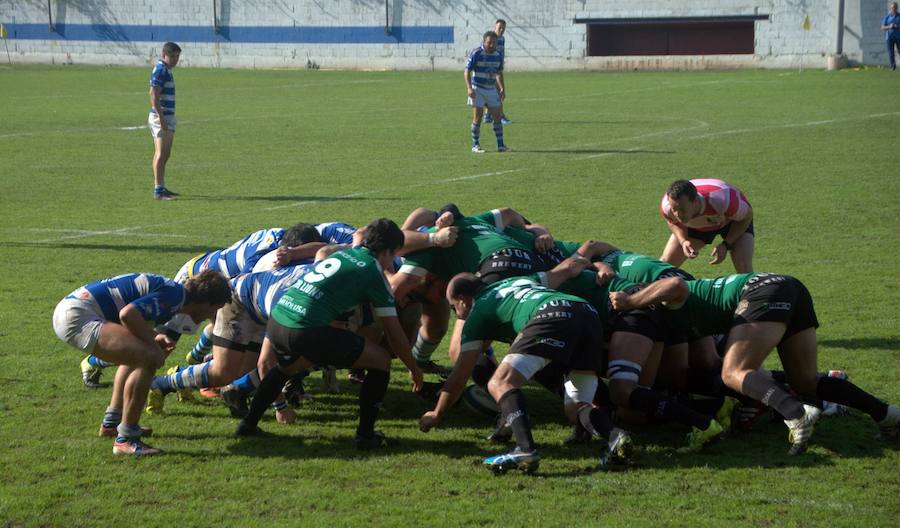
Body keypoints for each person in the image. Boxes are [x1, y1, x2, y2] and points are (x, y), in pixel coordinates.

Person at [609, 273, 900, 454]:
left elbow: (673, 284)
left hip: (762, 292)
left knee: (734, 372)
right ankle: (889, 416)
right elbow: (686, 369)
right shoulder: (684, 322)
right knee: (805, 381)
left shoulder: (669, 300)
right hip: (789, 287)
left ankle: (795, 413)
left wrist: (630, 302)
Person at [420, 258, 633, 473]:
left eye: (452, 307)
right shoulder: (520, 280)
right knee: (576, 407)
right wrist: (592, 262)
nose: (456, 313)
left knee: (501, 382)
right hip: (586, 312)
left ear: (462, 300)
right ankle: (616, 436)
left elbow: (459, 376)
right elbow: (564, 270)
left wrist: (437, 413)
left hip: (550, 315)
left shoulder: (477, 312)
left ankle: (525, 450)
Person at [235, 219, 424, 449]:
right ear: (388, 252)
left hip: (279, 318)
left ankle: (248, 424)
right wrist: (414, 369)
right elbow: (394, 335)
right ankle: (365, 436)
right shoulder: (373, 272)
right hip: (304, 328)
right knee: (381, 360)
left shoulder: (341, 254)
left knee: (287, 367)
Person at [52, 270, 230, 456]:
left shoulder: (175, 294)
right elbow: (128, 315)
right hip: (79, 315)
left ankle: (112, 423)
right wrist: (152, 343)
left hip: (74, 311)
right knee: (149, 358)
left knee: (138, 356)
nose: (213, 315)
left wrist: (153, 338)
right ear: (206, 302)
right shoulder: (175, 297)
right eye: (216, 308)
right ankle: (126, 438)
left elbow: (130, 316)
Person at [659, 178, 754, 273]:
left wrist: (726, 244)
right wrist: (683, 241)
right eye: (674, 209)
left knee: (743, 265)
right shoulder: (667, 207)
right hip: (695, 226)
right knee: (665, 265)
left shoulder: (723, 199)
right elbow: (673, 222)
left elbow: (746, 217)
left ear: (695, 201)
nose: (677, 214)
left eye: (682, 209)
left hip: (732, 222)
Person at [149, 42, 181, 200]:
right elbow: (153, 94)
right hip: (161, 116)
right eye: (172, 56)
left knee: (165, 154)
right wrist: (160, 117)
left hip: (167, 116)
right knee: (161, 154)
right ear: (164, 55)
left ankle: (161, 186)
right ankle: (158, 190)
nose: (175, 59)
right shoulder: (161, 70)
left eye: (177, 56)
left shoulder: (166, 70)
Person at [465, 31, 507, 153]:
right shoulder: (476, 53)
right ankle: (475, 145)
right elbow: (467, 71)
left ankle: (501, 145)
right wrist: (469, 88)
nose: (491, 45)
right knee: (478, 117)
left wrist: (502, 88)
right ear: (484, 42)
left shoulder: (498, 55)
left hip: (491, 89)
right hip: (478, 89)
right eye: (489, 42)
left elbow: (498, 73)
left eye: (494, 43)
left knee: (497, 117)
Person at [483, 19, 512, 125]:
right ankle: (501, 116)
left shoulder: (502, 39)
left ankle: (487, 116)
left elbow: (501, 52)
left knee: (492, 92)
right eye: (500, 27)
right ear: (495, 26)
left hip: (498, 68)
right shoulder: (490, 38)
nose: (502, 29)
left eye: (503, 28)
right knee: (499, 92)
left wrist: (501, 63)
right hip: (491, 70)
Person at [882, 2, 900, 70]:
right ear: (891, 8)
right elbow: (882, 27)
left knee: (899, 50)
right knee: (890, 52)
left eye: (894, 7)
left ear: (897, 8)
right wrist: (889, 26)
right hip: (889, 37)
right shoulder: (887, 17)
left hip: (898, 37)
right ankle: (893, 66)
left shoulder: (899, 16)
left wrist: (897, 26)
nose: (893, 9)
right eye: (892, 7)